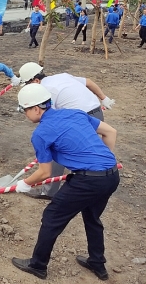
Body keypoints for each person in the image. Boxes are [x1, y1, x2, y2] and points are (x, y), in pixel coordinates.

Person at [11, 83, 119, 281]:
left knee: (51, 217)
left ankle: (38, 265)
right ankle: (97, 263)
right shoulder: (75, 113)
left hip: (87, 181)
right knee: (92, 217)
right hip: (111, 175)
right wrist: (103, 163)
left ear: (36, 109)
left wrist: (24, 184)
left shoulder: (41, 133)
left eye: (24, 110)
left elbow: (44, 172)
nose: (25, 115)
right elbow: (111, 132)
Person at [18, 62, 116, 200]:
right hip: (96, 110)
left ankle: (50, 191)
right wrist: (104, 98)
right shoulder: (61, 76)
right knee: (83, 150)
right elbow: (88, 82)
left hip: (80, 115)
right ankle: (95, 169)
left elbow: (51, 121)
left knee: (60, 148)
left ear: (35, 80)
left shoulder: (45, 91)